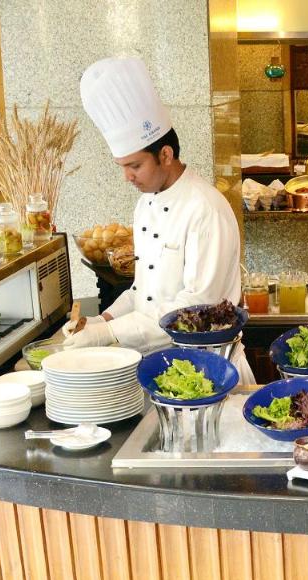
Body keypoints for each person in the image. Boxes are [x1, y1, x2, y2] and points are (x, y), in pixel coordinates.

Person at [67, 56, 246, 368]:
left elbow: (195, 310)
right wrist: (100, 321)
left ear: (165, 154)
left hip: (209, 369)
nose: (128, 177)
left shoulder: (206, 208)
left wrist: (109, 332)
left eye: (135, 166)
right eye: (122, 167)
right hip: (162, 367)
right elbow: (143, 292)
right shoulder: (145, 204)